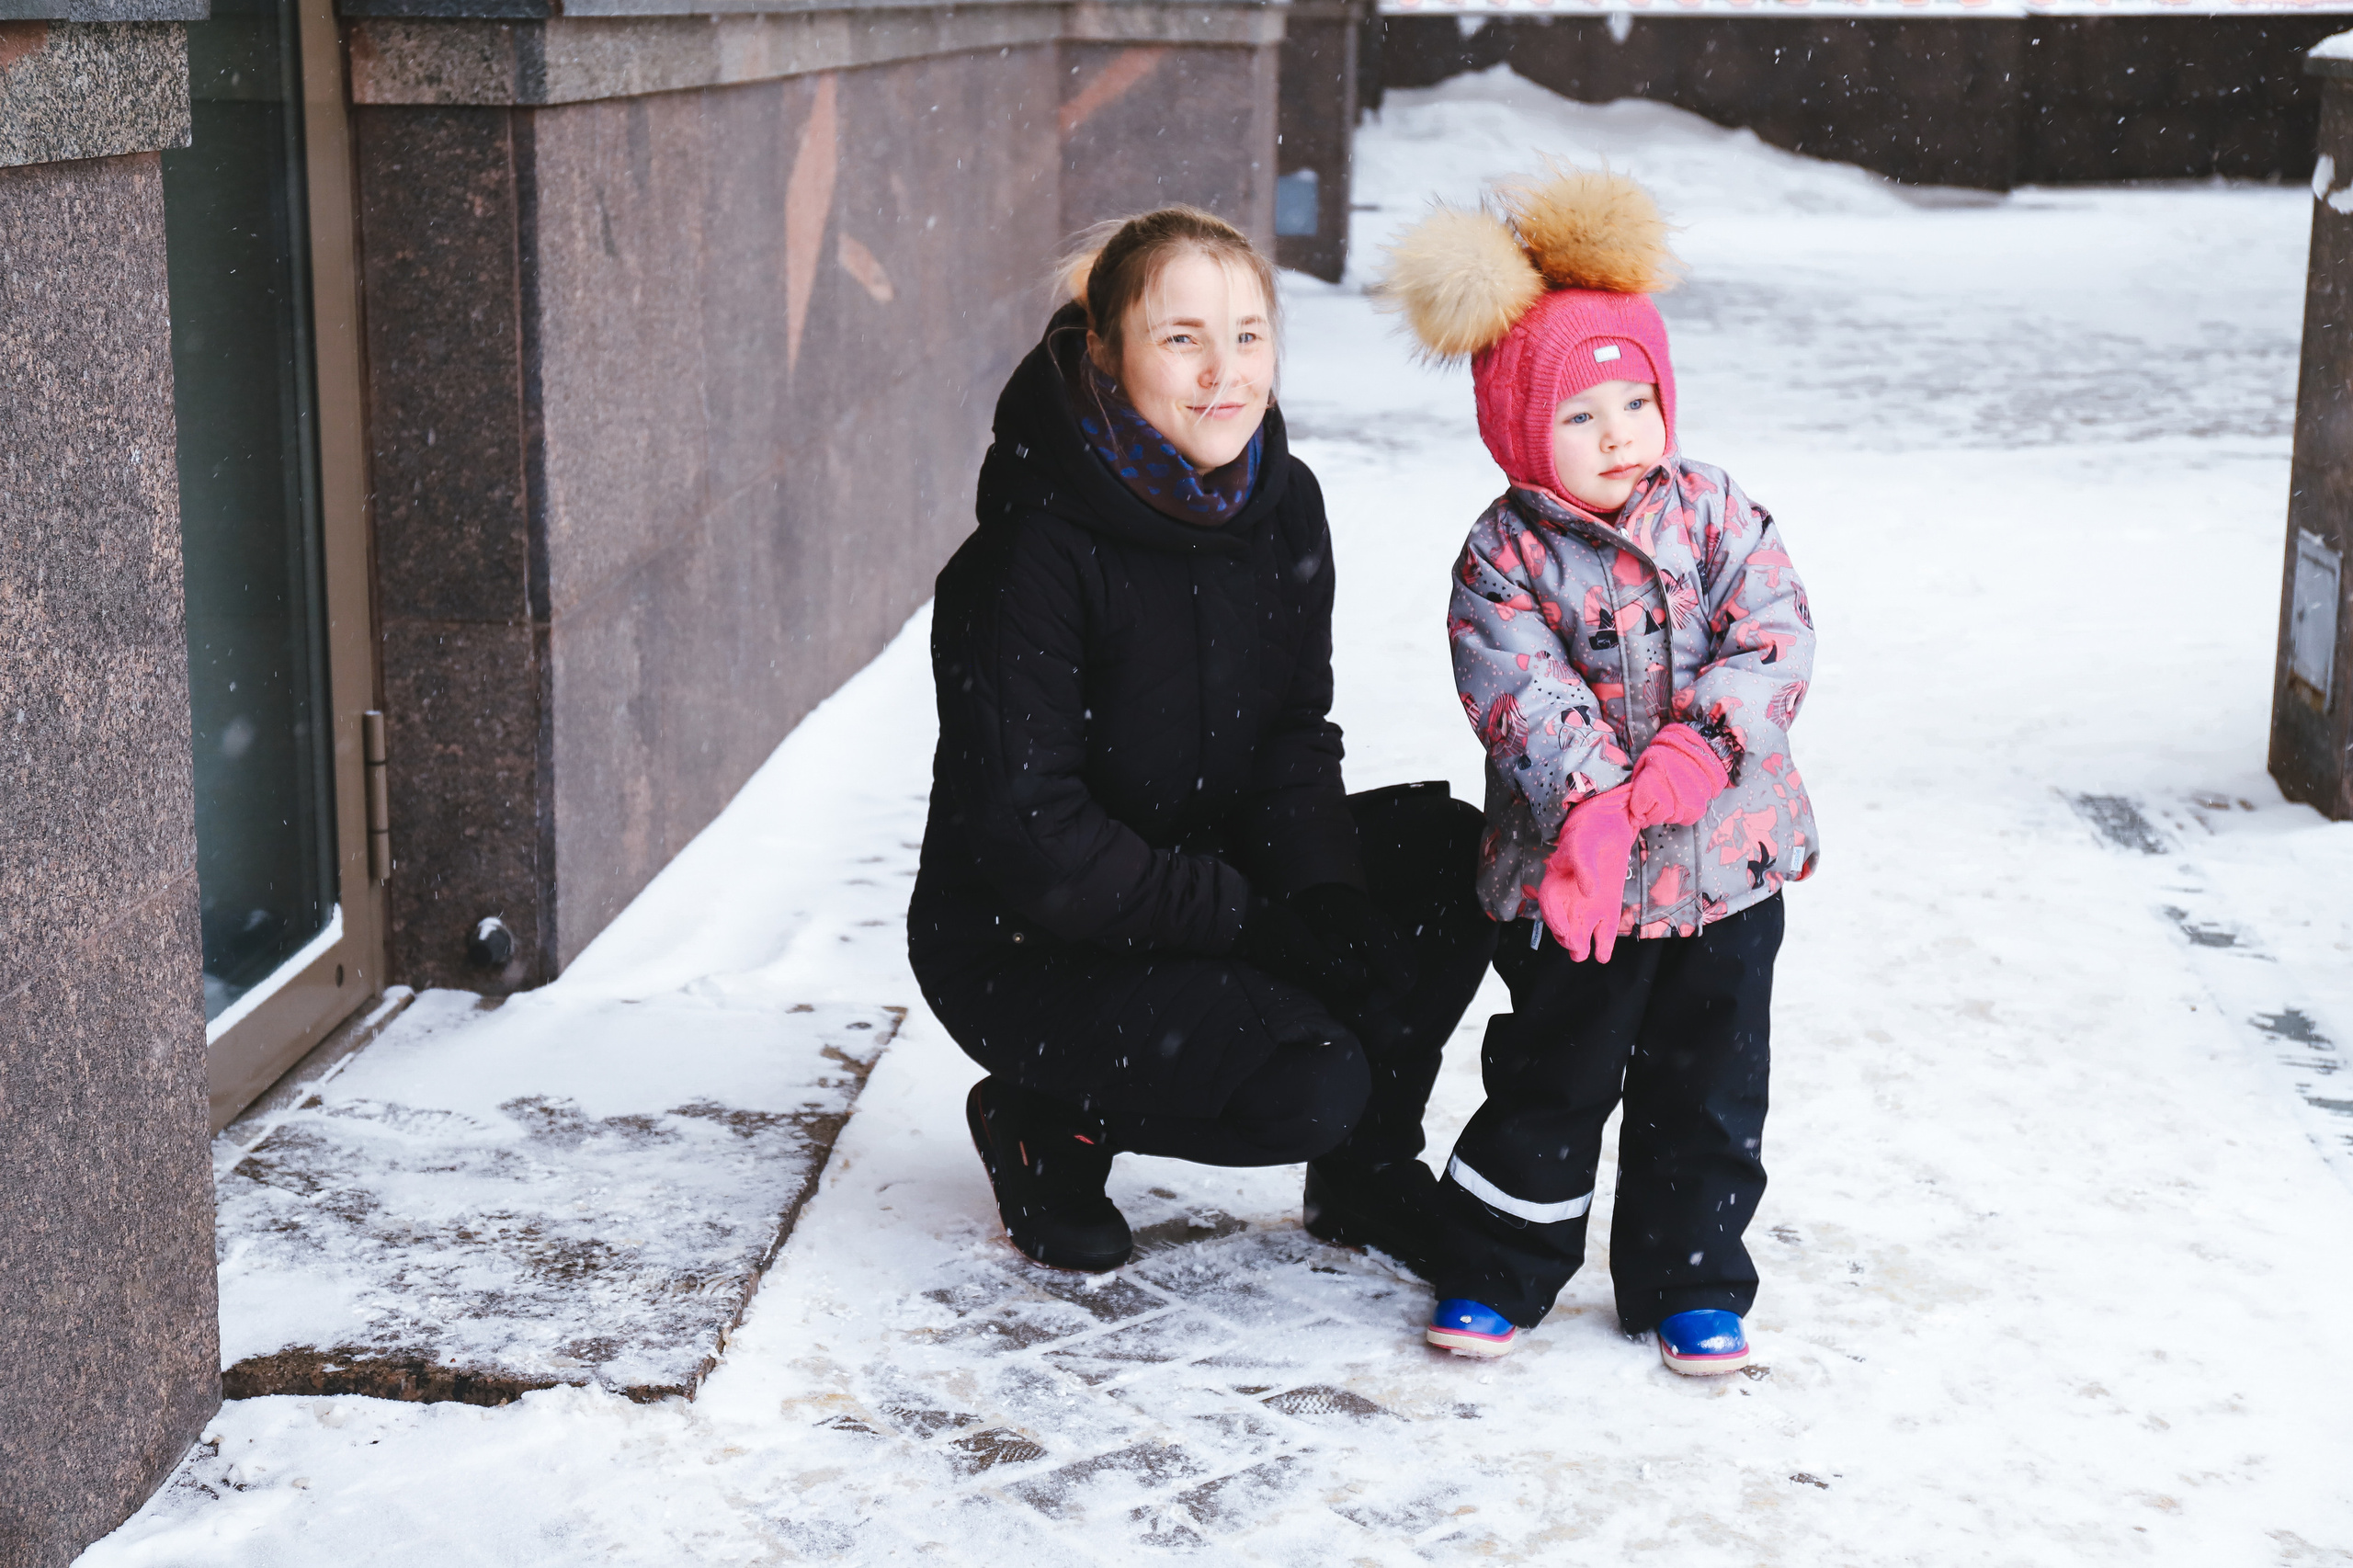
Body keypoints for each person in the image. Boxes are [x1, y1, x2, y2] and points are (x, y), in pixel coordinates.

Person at [909, 207, 1496, 1276]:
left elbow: (1290, 736)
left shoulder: (1283, 503)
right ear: (1104, 352)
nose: (1225, 372)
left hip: (1203, 880)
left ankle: (1365, 1172)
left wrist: (1323, 899)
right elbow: (1038, 833)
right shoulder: (1026, 555)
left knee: (1450, 860)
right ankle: (1046, 1113)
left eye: (1248, 334)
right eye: (1181, 337)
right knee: (1305, 1081)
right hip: (1031, 945)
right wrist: (1253, 923)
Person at [1378, 168, 1820, 1371]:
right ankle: (1496, 1267)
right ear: (1520, 429)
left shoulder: (1715, 512)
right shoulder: (1503, 555)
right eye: (1580, 414)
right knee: (1552, 1077)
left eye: (1636, 399)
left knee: (1709, 1084)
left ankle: (1691, 1278)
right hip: (1577, 881)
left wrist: (1698, 749)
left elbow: (1773, 634)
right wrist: (1598, 803)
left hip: (1726, 869)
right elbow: (1516, 689)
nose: (1620, 430)